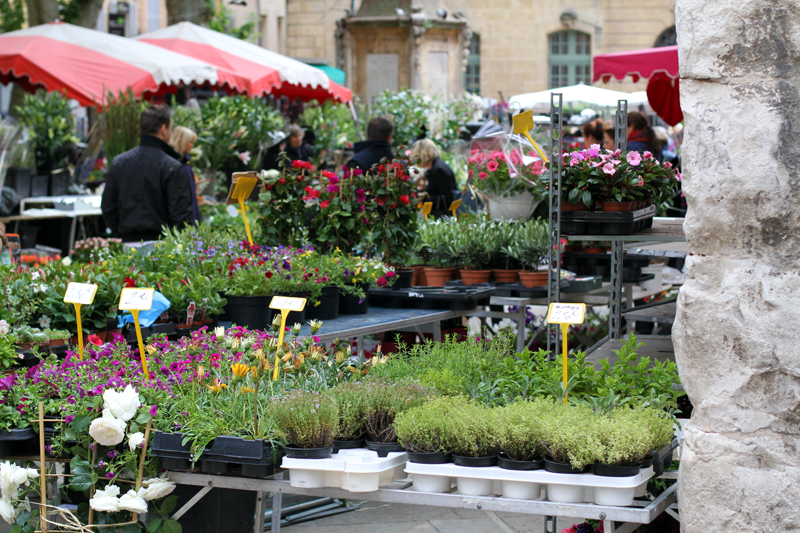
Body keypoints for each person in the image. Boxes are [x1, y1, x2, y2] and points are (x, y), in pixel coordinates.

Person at [101, 105, 193, 243]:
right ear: (163, 129)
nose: (171, 133)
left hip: (129, 243)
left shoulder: (119, 163)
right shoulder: (171, 166)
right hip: (163, 247)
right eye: (170, 129)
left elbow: (108, 207)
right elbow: (182, 216)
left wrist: (120, 233)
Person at [410, 139, 457, 218]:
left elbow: (448, 197)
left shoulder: (438, 170)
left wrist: (425, 198)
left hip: (444, 217)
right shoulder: (436, 167)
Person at [169, 126, 201, 225]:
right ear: (182, 141)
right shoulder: (175, 166)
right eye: (190, 142)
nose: (192, 146)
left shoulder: (185, 166)